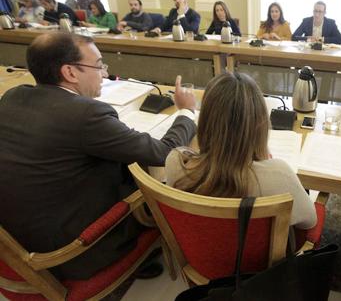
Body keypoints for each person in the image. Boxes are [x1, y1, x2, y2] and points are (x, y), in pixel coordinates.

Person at [0, 32, 197, 280]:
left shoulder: (13, 96)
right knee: (154, 178)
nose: (104, 73)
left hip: (18, 241)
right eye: (98, 65)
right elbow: (163, 152)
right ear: (70, 73)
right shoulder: (85, 114)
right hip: (70, 253)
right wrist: (187, 112)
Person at [165, 72, 317, 229]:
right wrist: (266, 161)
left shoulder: (176, 161)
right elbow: (309, 222)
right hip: (259, 254)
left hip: (196, 251)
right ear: (260, 126)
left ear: (205, 120)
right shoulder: (278, 175)